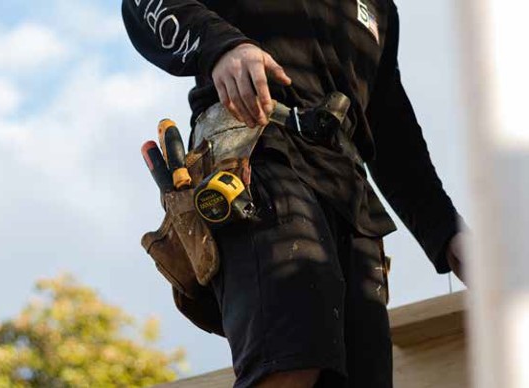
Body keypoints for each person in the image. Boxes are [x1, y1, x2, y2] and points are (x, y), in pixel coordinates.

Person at [122, 1, 466, 387]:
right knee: (290, 361)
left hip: (351, 203)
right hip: (258, 157)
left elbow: (390, 126)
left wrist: (447, 231)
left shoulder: (381, 10)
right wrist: (220, 46)